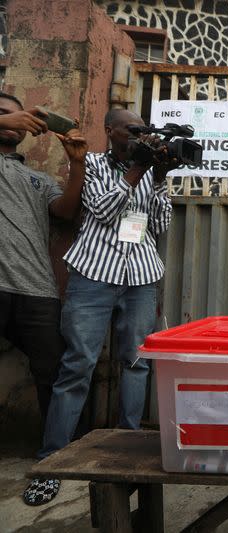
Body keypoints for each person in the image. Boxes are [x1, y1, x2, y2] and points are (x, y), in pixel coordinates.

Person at [24, 109, 176, 506]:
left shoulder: (151, 169)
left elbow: (159, 225)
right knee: (78, 364)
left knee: (137, 362)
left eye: (143, 131)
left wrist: (158, 179)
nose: (139, 136)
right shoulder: (89, 164)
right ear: (111, 131)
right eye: (132, 130)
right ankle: (52, 459)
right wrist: (137, 172)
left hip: (141, 276)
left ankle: (127, 450)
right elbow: (104, 212)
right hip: (93, 275)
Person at [0, 92, 86, 433]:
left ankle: (58, 451)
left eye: (20, 119)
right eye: (5, 115)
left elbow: (65, 211)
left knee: (54, 370)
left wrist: (77, 164)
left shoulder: (38, 178)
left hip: (36, 289)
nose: (16, 122)